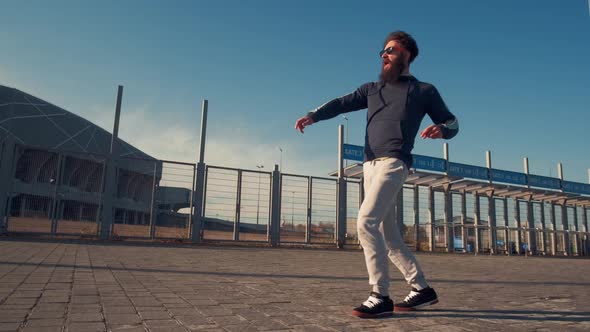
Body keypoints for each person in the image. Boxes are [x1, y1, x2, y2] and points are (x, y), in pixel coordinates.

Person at [294, 31, 459, 318]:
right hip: (369, 166)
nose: (384, 54)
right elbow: (339, 103)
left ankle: (379, 294)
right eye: (382, 51)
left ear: (407, 56)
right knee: (388, 233)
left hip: (394, 163)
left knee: (365, 223)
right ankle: (421, 288)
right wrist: (314, 115)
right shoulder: (371, 89)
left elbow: (453, 123)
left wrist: (442, 130)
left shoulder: (424, 91)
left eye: (391, 50)